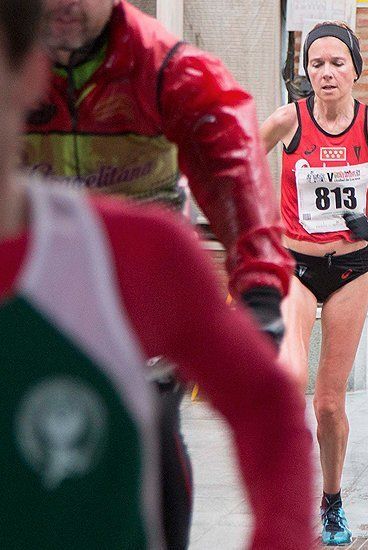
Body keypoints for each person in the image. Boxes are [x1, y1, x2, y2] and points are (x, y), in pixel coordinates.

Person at [0, 1, 314, 547]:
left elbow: (231, 159)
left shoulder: (164, 65)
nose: (65, 4)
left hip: (131, 292)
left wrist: (260, 293)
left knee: (150, 449)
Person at [259, 21, 368, 545]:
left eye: (336, 63)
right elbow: (232, 160)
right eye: (316, 64)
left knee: (329, 403)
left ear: (356, 69)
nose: (326, 73)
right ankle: (281, 497)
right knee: (287, 381)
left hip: (351, 271)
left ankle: (331, 501)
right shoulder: (289, 120)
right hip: (296, 267)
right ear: (305, 71)